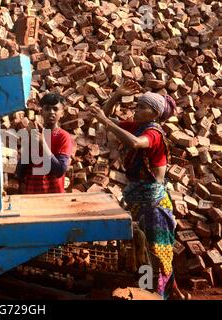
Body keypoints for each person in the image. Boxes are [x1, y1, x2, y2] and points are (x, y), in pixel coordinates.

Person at [89, 80, 189, 300]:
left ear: (153, 113)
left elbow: (135, 143)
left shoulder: (153, 133)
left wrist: (106, 120)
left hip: (152, 203)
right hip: (137, 198)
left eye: (141, 107)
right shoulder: (139, 126)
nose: (136, 110)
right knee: (143, 249)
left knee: (156, 250)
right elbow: (105, 120)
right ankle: (172, 293)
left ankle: (158, 294)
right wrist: (116, 95)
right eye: (137, 105)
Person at [17, 93, 75, 194]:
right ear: (41, 112)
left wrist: (42, 142)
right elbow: (20, 172)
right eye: (47, 109)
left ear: (62, 113)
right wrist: (30, 144)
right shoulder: (34, 134)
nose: (51, 112)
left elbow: (60, 170)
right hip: (31, 195)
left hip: (53, 197)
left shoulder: (63, 136)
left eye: (55, 109)